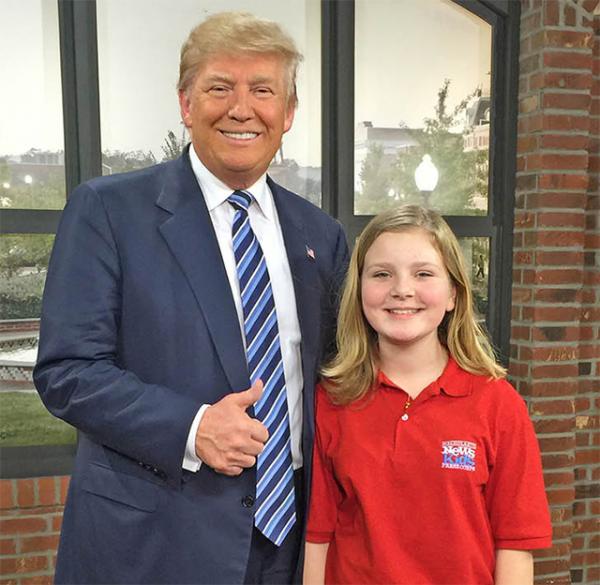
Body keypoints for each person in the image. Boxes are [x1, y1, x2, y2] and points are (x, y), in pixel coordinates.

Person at [34, 11, 348, 585]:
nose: (241, 108)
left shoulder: (319, 235)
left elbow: (338, 374)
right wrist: (192, 426)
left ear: (289, 112)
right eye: (219, 87)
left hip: (289, 543)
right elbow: (67, 371)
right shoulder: (108, 211)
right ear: (185, 103)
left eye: (263, 90)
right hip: (155, 542)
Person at [303, 205, 551, 585]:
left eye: (423, 274)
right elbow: (317, 538)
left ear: (453, 293)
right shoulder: (332, 400)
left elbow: (515, 546)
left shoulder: (498, 405)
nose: (402, 290)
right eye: (382, 274)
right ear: (359, 289)